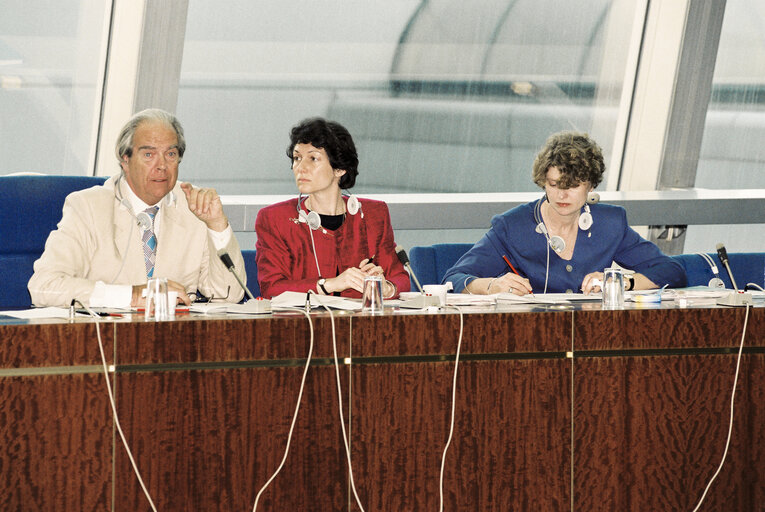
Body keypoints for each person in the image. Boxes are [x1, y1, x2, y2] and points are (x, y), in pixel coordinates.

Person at [28, 108, 246, 307]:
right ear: (125, 160)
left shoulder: (194, 207)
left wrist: (217, 225)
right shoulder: (87, 207)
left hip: (174, 338)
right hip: (104, 339)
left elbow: (228, 295)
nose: (161, 166)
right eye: (149, 155)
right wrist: (133, 296)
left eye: (170, 154)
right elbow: (44, 287)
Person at [442, 130, 687, 295]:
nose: (561, 195)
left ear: (591, 185)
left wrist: (622, 282)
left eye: (573, 186)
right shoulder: (512, 226)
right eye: (554, 184)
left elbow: (671, 271)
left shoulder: (609, 224)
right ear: (543, 181)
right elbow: (452, 279)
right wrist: (493, 285)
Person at [255, 117, 410, 299]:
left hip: (361, 324)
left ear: (340, 169)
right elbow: (271, 288)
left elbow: (401, 278)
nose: (300, 168)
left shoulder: (373, 214)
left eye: (313, 159)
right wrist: (331, 284)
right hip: (303, 325)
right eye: (297, 158)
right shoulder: (275, 218)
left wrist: (386, 287)